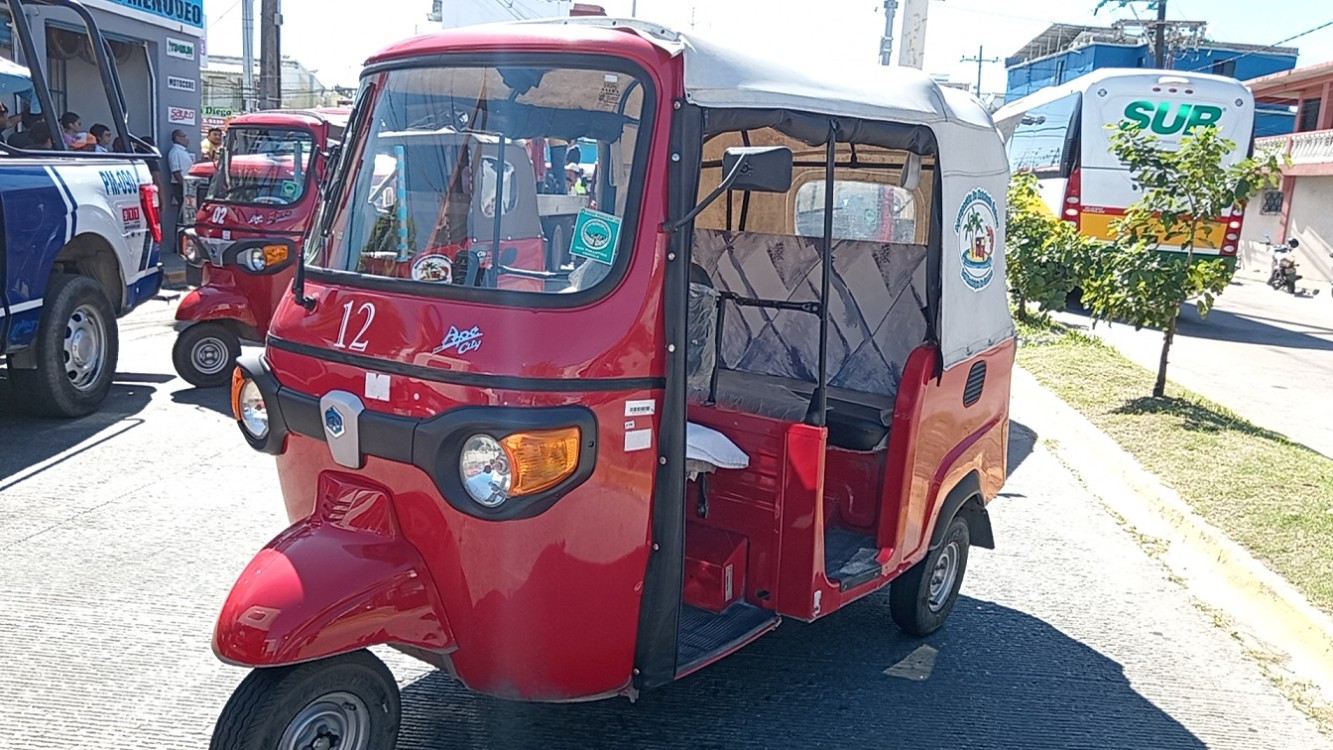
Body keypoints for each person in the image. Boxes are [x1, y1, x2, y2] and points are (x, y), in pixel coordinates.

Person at [167, 128, 194, 207]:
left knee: (189, 207)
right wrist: (185, 186)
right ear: (178, 138)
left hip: (188, 185)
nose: (187, 139)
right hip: (180, 185)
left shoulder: (183, 151)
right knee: (183, 208)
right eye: (184, 136)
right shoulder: (175, 152)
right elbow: (176, 171)